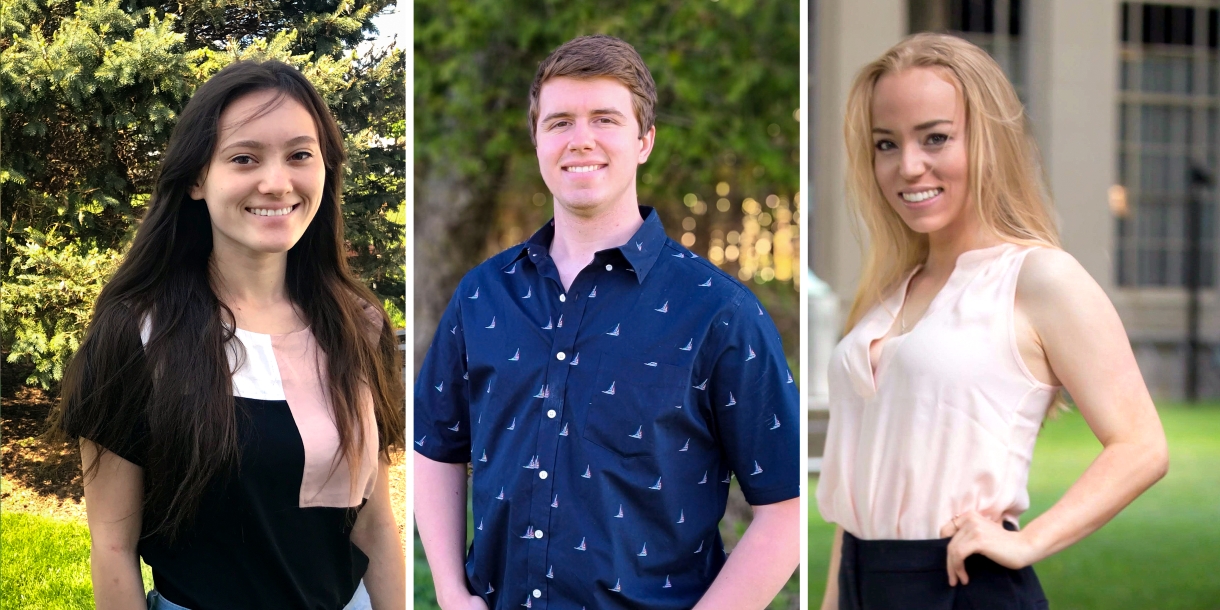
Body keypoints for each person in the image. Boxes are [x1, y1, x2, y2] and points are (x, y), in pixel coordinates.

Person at [414, 35, 800, 610]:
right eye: (560, 121)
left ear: (645, 140)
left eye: (606, 119)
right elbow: (434, 448)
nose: (581, 139)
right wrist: (450, 591)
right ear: (537, 138)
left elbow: (786, 507)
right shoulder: (482, 296)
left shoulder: (718, 312)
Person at [816, 33, 1169, 610]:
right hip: (863, 579)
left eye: (936, 138)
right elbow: (856, 484)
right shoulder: (888, 292)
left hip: (962, 587)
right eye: (886, 143)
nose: (908, 166)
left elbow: (1141, 445)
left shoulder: (1039, 278)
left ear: (988, 140)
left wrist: (1028, 541)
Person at [52, 60, 406, 610]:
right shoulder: (139, 335)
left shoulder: (359, 325)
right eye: (244, 158)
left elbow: (375, 525)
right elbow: (113, 546)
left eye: (299, 155)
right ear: (197, 178)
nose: (276, 182)